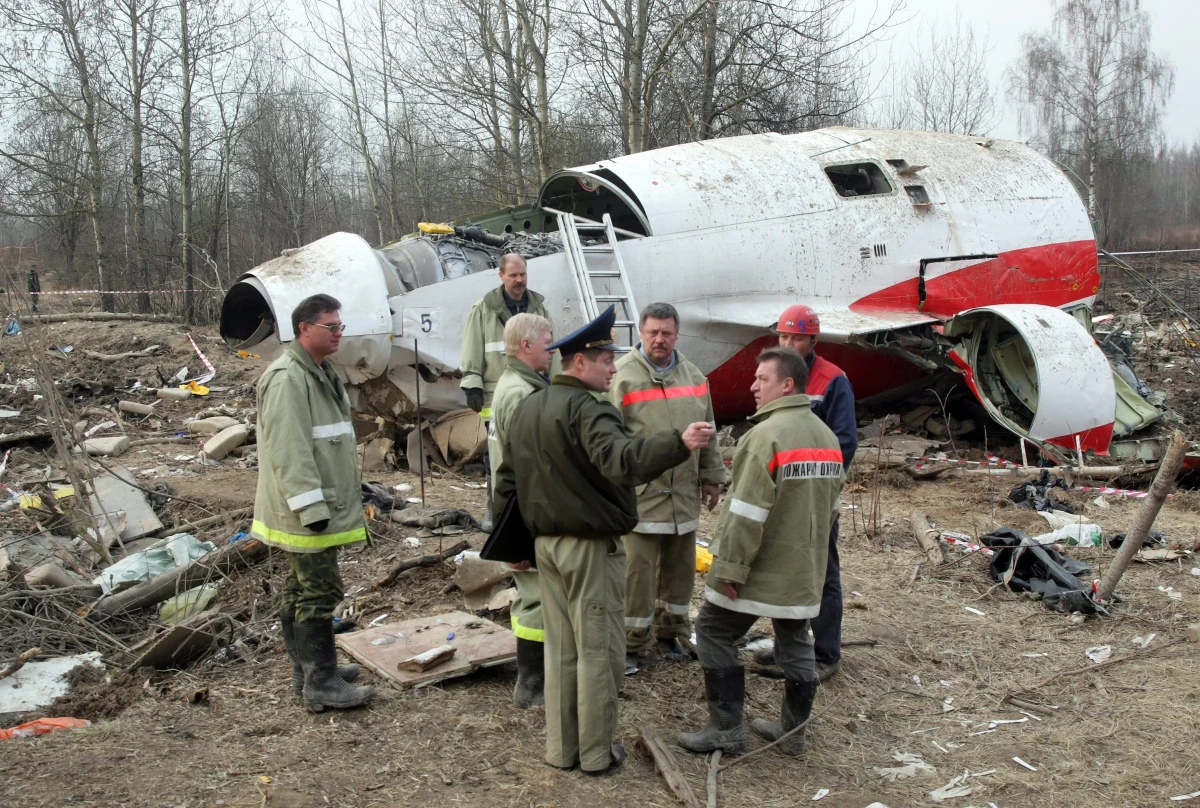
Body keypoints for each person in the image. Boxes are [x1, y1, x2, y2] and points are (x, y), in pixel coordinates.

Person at [496, 305, 716, 775]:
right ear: (580, 362)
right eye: (605, 360)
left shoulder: (532, 406)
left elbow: (508, 482)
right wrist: (678, 444)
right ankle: (596, 753)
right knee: (597, 652)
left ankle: (562, 750)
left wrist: (514, 547)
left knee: (561, 651)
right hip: (589, 550)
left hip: (546, 549)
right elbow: (623, 460)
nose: (614, 369)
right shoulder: (589, 409)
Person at [678, 347, 843, 757]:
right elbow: (832, 508)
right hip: (804, 568)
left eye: (761, 379)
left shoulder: (764, 438)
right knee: (795, 638)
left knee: (712, 630)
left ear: (787, 385)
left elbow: (744, 516)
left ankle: (726, 729)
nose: (753, 386)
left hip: (759, 568)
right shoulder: (826, 437)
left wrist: (730, 570)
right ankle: (792, 733)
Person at [252, 294, 374, 713]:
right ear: (304, 329)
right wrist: (311, 508)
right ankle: (320, 683)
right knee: (321, 590)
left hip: (320, 504)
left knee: (300, 587)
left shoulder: (319, 372)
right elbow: (290, 450)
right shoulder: (287, 379)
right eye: (331, 327)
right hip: (306, 512)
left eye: (341, 326)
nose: (339, 333)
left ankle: (307, 673)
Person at [609, 302, 725, 671]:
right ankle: (630, 643)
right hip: (641, 496)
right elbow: (609, 442)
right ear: (641, 332)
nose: (660, 339)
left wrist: (712, 476)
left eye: (667, 333)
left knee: (679, 571)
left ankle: (670, 631)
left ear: (677, 335)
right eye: (653, 332)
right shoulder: (622, 377)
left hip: (684, 495)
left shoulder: (694, 377)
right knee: (637, 573)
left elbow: (709, 431)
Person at [766, 304, 858, 681]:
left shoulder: (832, 380)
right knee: (785, 570)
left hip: (816, 496)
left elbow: (844, 442)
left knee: (822, 573)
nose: (788, 344)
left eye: (797, 338)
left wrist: (812, 481)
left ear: (813, 340)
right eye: (784, 336)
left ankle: (825, 654)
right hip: (782, 493)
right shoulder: (775, 375)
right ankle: (789, 649)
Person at [488, 312, 555, 708]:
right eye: (548, 341)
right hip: (525, 513)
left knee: (535, 596)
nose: (553, 348)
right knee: (535, 599)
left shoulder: (519, 384)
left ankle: (538, 680)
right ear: (526, 345)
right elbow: (516, 470)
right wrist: (515, 534)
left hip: (522, 510)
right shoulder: (521, 393)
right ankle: (532, 685)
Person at [460, 252, 557, 529]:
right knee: (496, 454)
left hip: (534, 391)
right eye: (513, 275)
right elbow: (472, 346)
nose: (519, 280)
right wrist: (471, 381)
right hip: (495, 395)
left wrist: (558, 384)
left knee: (532, 450)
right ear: (501, 275)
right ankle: (494, 508)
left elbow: (553, 349)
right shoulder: (484, 309)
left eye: (522, 274)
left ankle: (530, 508)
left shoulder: (539, 308)